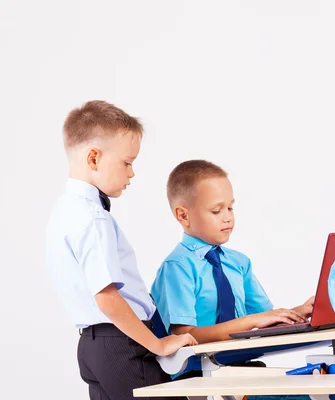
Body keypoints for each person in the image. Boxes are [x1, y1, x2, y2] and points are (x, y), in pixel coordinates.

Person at [45, 100, 197, 400]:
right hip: (123, 344)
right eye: (127, 162)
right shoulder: (93, 218)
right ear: (94, 158)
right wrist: (159, 344)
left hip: (92, 347)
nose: (132, 173)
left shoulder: (63, 212)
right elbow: (107, 297)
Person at [151, 159, 314, 377]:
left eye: (230, 207)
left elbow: (264, 317)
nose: (228, 217)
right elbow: (184, 336)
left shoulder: (238, 263)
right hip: (197, 373)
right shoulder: (178, 267)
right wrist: (249, 322)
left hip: (240, 365)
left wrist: (296, 313)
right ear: (183, 215)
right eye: (216, 210)